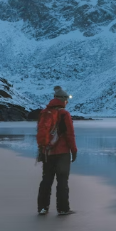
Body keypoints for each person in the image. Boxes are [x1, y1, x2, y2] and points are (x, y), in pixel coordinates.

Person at [36, 86, 78, 216]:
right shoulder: (64, 114)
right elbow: (70, 135)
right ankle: (63, 208)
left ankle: (43, 208)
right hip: (62, 153)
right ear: (63, 100)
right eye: (66, 99)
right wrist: (74, 150)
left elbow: (40, 132)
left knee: (46, 180)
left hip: (47, 152)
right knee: (62, 181)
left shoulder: (44, 113)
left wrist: (42, 149)